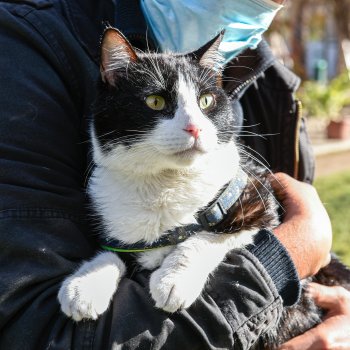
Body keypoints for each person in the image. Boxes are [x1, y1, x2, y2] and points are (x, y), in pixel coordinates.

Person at [0, 0, 346, 349]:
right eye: (156, 104)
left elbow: (320, 277)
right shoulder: (26, 47)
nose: (194, 127)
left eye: (207, 104)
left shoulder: (264, 70)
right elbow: (38, 331)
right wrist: (283, 258)